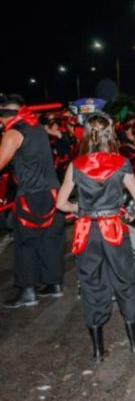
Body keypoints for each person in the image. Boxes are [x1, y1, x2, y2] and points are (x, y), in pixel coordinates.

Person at [56, 113, 135, 361]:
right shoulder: (120, 163)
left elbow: (61, 203)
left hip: (86, 231)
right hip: (113, 228)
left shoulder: (76, 165)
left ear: (87, 135)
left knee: (91, 284)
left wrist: (80, 209)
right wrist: (131, 214)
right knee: (126, 282)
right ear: (111, 134)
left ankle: (98, 349)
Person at [0, 95, 66, 308]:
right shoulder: (37, 127)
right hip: (51, 192)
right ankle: (53, 284)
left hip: (30, 194)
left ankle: (28, 291)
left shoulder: (13, 133)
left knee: (25, 242)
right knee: (50, 240)